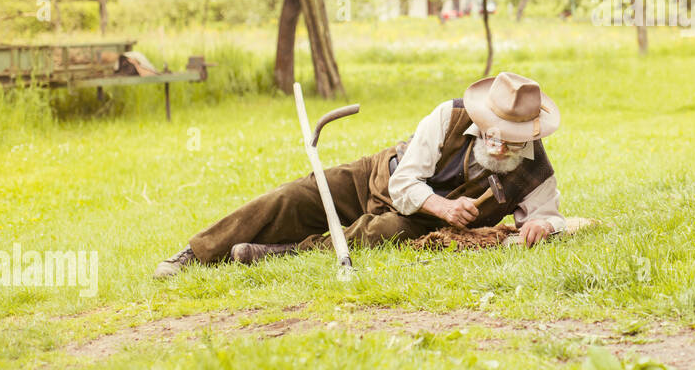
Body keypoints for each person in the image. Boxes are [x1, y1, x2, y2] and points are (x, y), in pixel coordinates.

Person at [154, 72, 564, 277]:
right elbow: (405, 182)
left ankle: (278, 254)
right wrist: (443, 205)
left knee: (381, 232)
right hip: (378, 176)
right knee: (295, 197)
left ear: (527, 132)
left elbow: (550, 216)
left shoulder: (535, 169)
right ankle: (199, 251)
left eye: (509, 140)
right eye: (492, 134)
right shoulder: (449, 115)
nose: (498, 146)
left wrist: (541, 228)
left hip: (413, 220)